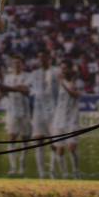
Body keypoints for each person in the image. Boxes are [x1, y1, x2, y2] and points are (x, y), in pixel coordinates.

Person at [0, 56, 32, 176]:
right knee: (11, 137)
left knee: (25, 139)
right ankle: (13, 167)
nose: (17, 65)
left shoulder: (28, 76)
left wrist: (10, 89)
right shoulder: (8, 77)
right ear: (12, 65)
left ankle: (22, 166)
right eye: (15, 64)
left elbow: (26, 90)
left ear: (22, 65)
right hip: (12, 111)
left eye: (19, 63)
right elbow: (3, 90)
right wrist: (17, 88)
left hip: (25, 111)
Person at [51, 59, 82, 179]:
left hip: (72, 120)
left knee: (72, 148)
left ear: (70, 69)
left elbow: (75, 94)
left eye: (65, 68)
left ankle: (76, 172)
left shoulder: (77, 82)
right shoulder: (58, 83)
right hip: (59, 120)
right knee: (60, 149)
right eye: (61, 68)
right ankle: (64, 174)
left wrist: (62, 83)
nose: (62, 71)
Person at [30, 50, 58, 178]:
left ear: (49, 58)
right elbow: (31, 91)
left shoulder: (56, 72)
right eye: (39, 58)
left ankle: (52, 171)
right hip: (38, 111)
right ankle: (41, 173)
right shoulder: (34, 74)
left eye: (44, 58)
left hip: (53, 112)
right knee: (38, 141)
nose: (41, 60)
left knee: (54, 142)